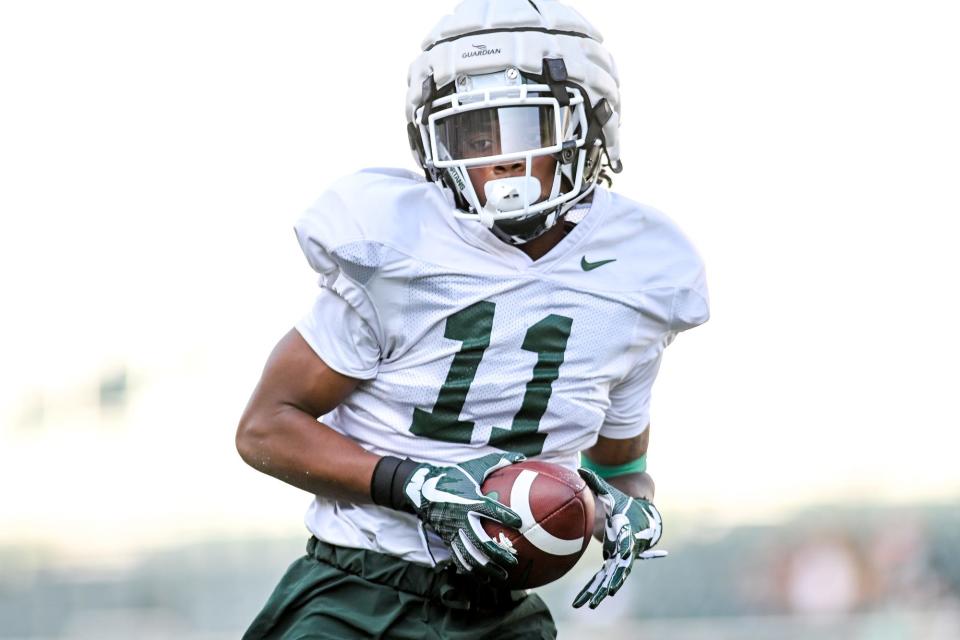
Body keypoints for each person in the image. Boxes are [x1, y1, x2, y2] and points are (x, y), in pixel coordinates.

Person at [236, 0, 709, 637]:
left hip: (497, 610)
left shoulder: (641, 273)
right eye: (474, 137)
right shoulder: (396, 244)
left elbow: (621, 470)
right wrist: (414, 486)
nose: (499, 162)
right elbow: (265, 428)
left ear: (589, 125)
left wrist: (629, 510)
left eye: (524, 129)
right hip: (359, 592)